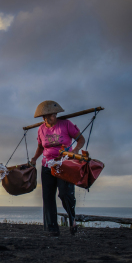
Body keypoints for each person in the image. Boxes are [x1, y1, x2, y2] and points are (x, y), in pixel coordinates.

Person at [30, 101, 85, 236]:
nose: (51, 117)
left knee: (65, 193)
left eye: (54, 115)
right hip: (47, 165)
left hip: (65, 164)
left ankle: (72, 220)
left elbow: (81, 139)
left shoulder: (66, 124)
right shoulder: (41, 129)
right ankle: (52, 229)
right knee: (48, 197)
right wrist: (34, 158)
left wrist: (76, 150)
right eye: (49, 115)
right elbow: (40, 147)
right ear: (43, 117)